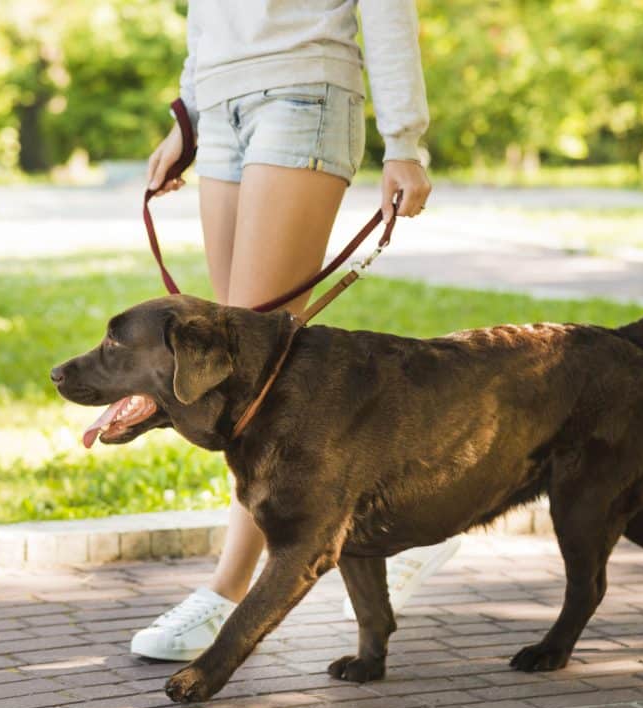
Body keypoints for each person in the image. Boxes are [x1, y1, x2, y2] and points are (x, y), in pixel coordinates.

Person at [130, 0, 461, 662]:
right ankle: (414, 515)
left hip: (303, 93)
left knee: (249, 371)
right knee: (230, 368)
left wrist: (404, 140)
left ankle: (226, 591)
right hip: (223, 107)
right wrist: (188, 122)